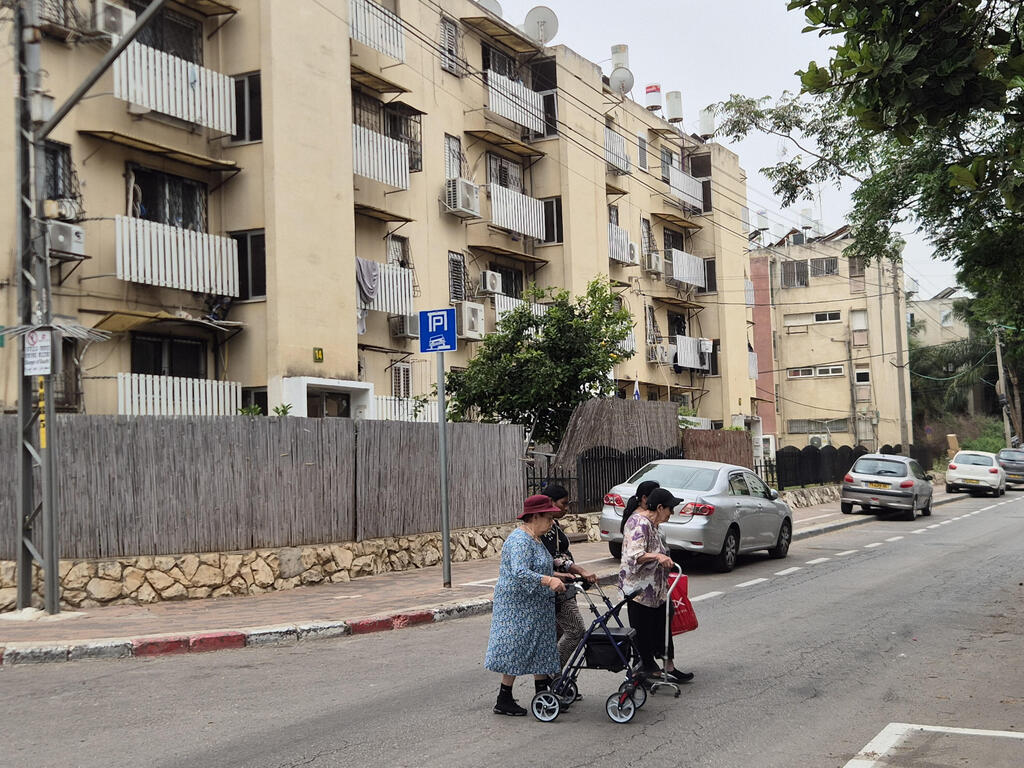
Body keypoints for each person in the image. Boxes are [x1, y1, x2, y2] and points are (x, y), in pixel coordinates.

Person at [485, 494, 574, 716]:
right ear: (535, 516)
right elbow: (520, 571)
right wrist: (549, 580)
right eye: (549, 517)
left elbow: (538, 567)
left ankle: (543, 696)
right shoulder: (519, 540)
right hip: (517, 606)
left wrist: (558, 575)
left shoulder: (535, 539)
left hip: (537, 605)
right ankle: (503, 699)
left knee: (542, 648)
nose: (552, 522)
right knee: (516, 649)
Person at [618, 487, 694, 684]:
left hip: (656, 590)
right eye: (670, 509)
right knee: (642, 632)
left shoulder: (653, 525)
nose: (672, 514)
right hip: (640, 591)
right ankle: (641, 672)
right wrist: (658, 556)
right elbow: (635, 554)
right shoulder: (639, 523)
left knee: (662, 625)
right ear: (660, 507)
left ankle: (665, 667)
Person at [540, 485, 598, 672]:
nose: (567, 508)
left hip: (564, 584)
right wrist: (565, 573)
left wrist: (576, 572)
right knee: (575, 630)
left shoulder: (553, 525)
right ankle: (551, 673)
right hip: (553, 587)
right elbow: (546, 562)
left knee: (555, 634)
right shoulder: (539, 529)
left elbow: (558, 557)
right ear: (550, 503)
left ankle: (549, 682)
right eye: (563, 504)